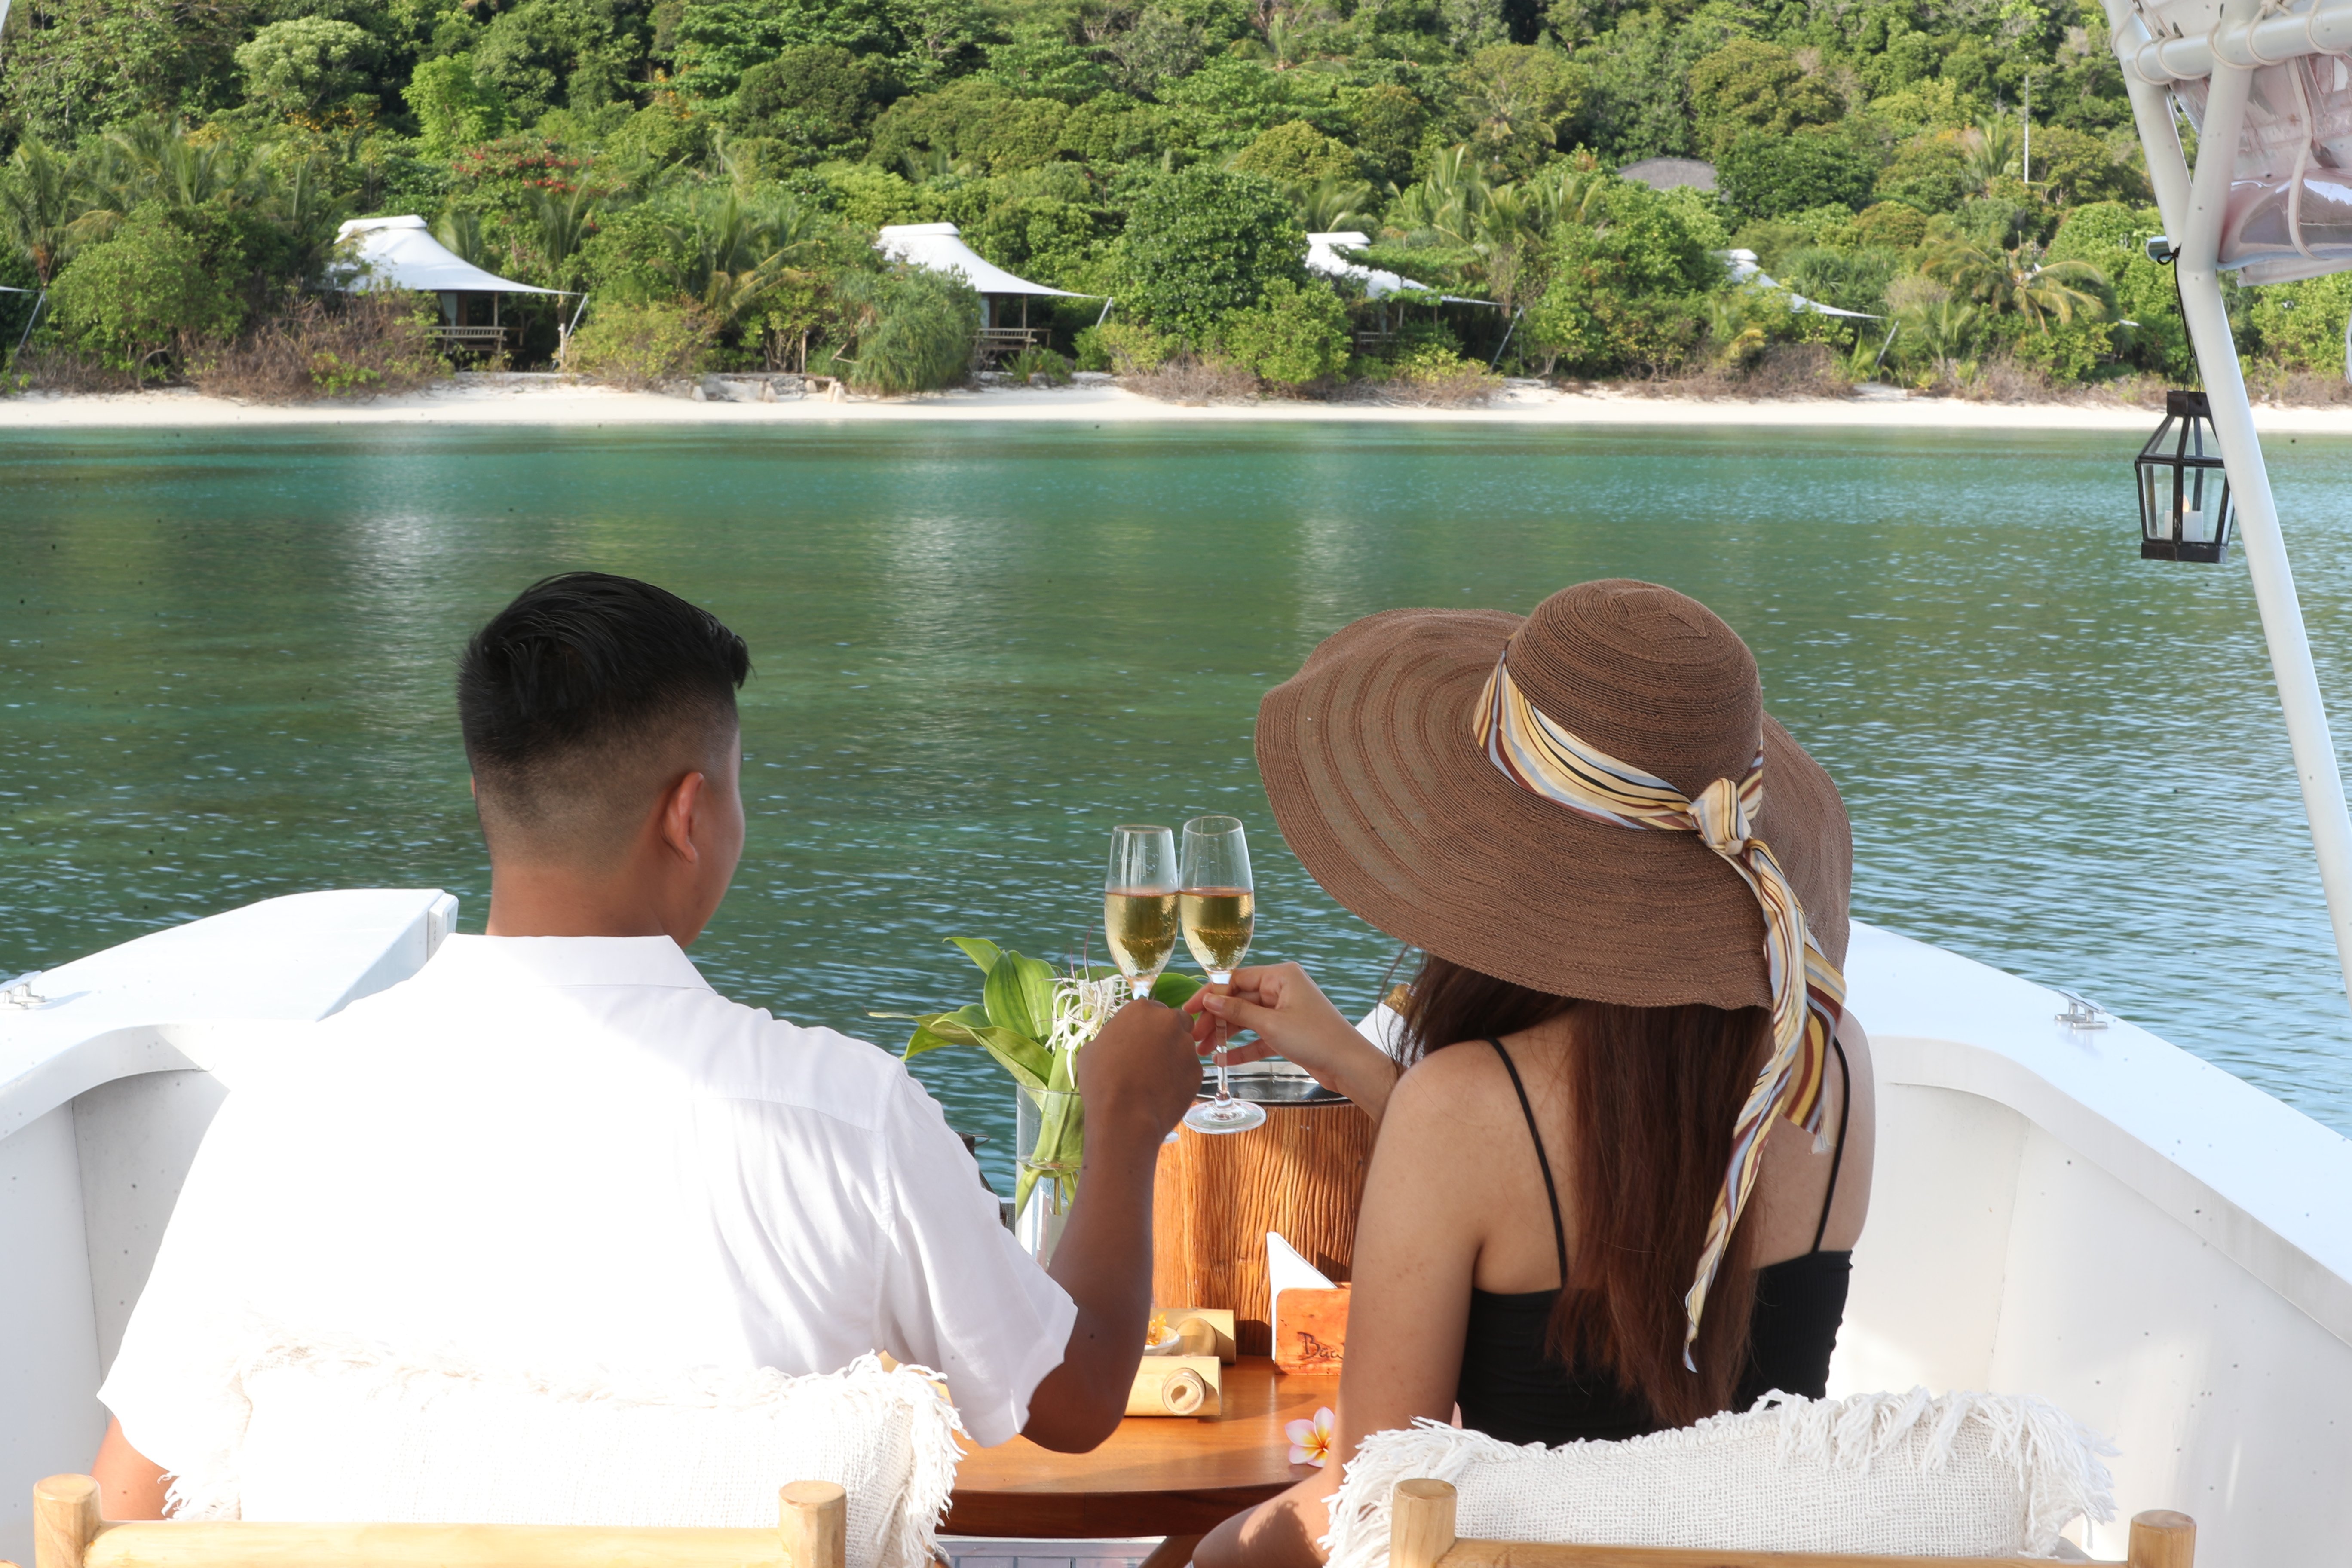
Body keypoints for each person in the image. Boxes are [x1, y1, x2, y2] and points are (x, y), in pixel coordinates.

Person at [92, 571, 1201, 1519]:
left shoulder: (289, 1111)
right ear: (689, 814)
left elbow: (131, 1504)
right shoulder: (846, 1116)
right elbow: (1080, 1396)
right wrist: (1127, 1120)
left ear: (486, 792)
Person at [1185, 579, 1877, 1568]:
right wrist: (1356, 1065)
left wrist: (1212, 1552)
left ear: (1501, 853)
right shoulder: (1832, 1062)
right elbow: (1625, 1204)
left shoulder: (1466, 1109)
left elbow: (1376, 1502)